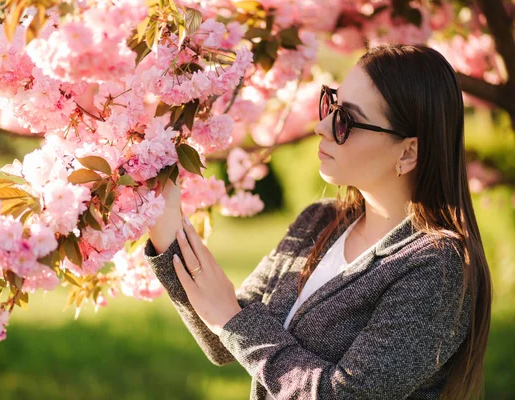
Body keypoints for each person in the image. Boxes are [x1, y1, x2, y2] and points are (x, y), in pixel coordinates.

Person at [144, 44, 492, 400]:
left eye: (347, 121)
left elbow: (338, 394)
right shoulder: (320, 221)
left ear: (407, 152)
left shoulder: (437, 268)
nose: (321, 127)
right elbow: (224, 339)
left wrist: (233, 321)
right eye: (332, 103)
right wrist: (162, 213)